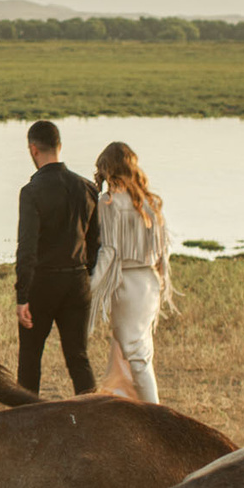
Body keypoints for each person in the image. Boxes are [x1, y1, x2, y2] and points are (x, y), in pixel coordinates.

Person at [15, 120, 99, 395]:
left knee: (30, 358)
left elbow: (26, 248)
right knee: (78, 358)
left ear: (33, 149)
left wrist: (22, 296)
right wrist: (86, 276)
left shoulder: (31, 192)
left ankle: (25, 422)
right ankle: (92, 418)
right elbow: (95, 242)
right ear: (59, 146)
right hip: (76, 281)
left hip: (42, 282)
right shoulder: (87, 188)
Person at [88, 140, 173, 404]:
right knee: (134, 348)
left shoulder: (109, 202)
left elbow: (109, 252)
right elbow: (163, 253)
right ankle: (127, 402)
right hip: (150, 283)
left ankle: (156, 415)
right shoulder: (149, 203)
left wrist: (89, 287)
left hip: (127, 284)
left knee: (136, 355)